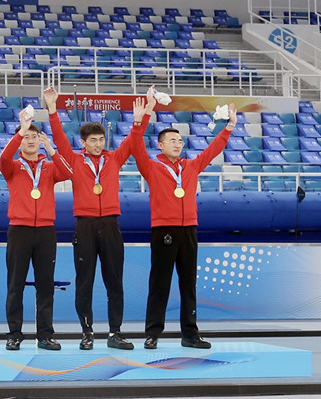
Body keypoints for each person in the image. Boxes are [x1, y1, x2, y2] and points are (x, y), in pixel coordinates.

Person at [44, 86, 155, 351]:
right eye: (93, 140)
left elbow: (133, 140)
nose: (98, 144)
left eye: (101, 139)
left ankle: (115, 332)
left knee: (115, 282)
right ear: (83, 142)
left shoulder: (114, 159)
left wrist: (142, 117)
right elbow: (59, 138)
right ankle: (87, 332)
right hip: (85, 226)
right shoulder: (74, 161)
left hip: (111, 225)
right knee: (85, 283)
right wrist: (52, 109)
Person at [133, 101, 237, 350]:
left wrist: (230, 127)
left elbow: (212, 150)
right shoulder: (151, 167)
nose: (178, 144)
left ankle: (190, 334)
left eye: (180, 141)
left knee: (188, 284)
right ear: (160, 145)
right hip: (164, 230)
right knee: (159, 284)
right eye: (172, 141)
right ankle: (152, 333)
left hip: (189, 229)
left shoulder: (190, 166)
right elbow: (135, 147)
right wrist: (138, 122)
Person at [0, 106, 73, 350]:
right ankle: (14, 334)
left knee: (45, 285)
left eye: (34, 136)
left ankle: (45, 335)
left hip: (45, 231)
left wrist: (51, 150)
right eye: (26, 137)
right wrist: (20, 131)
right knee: (15, 284)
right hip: (19, 230)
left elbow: (69, 172)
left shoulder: (49, 167)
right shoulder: (12, 166)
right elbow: (3, 158)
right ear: (20, 140)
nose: (30, 141)